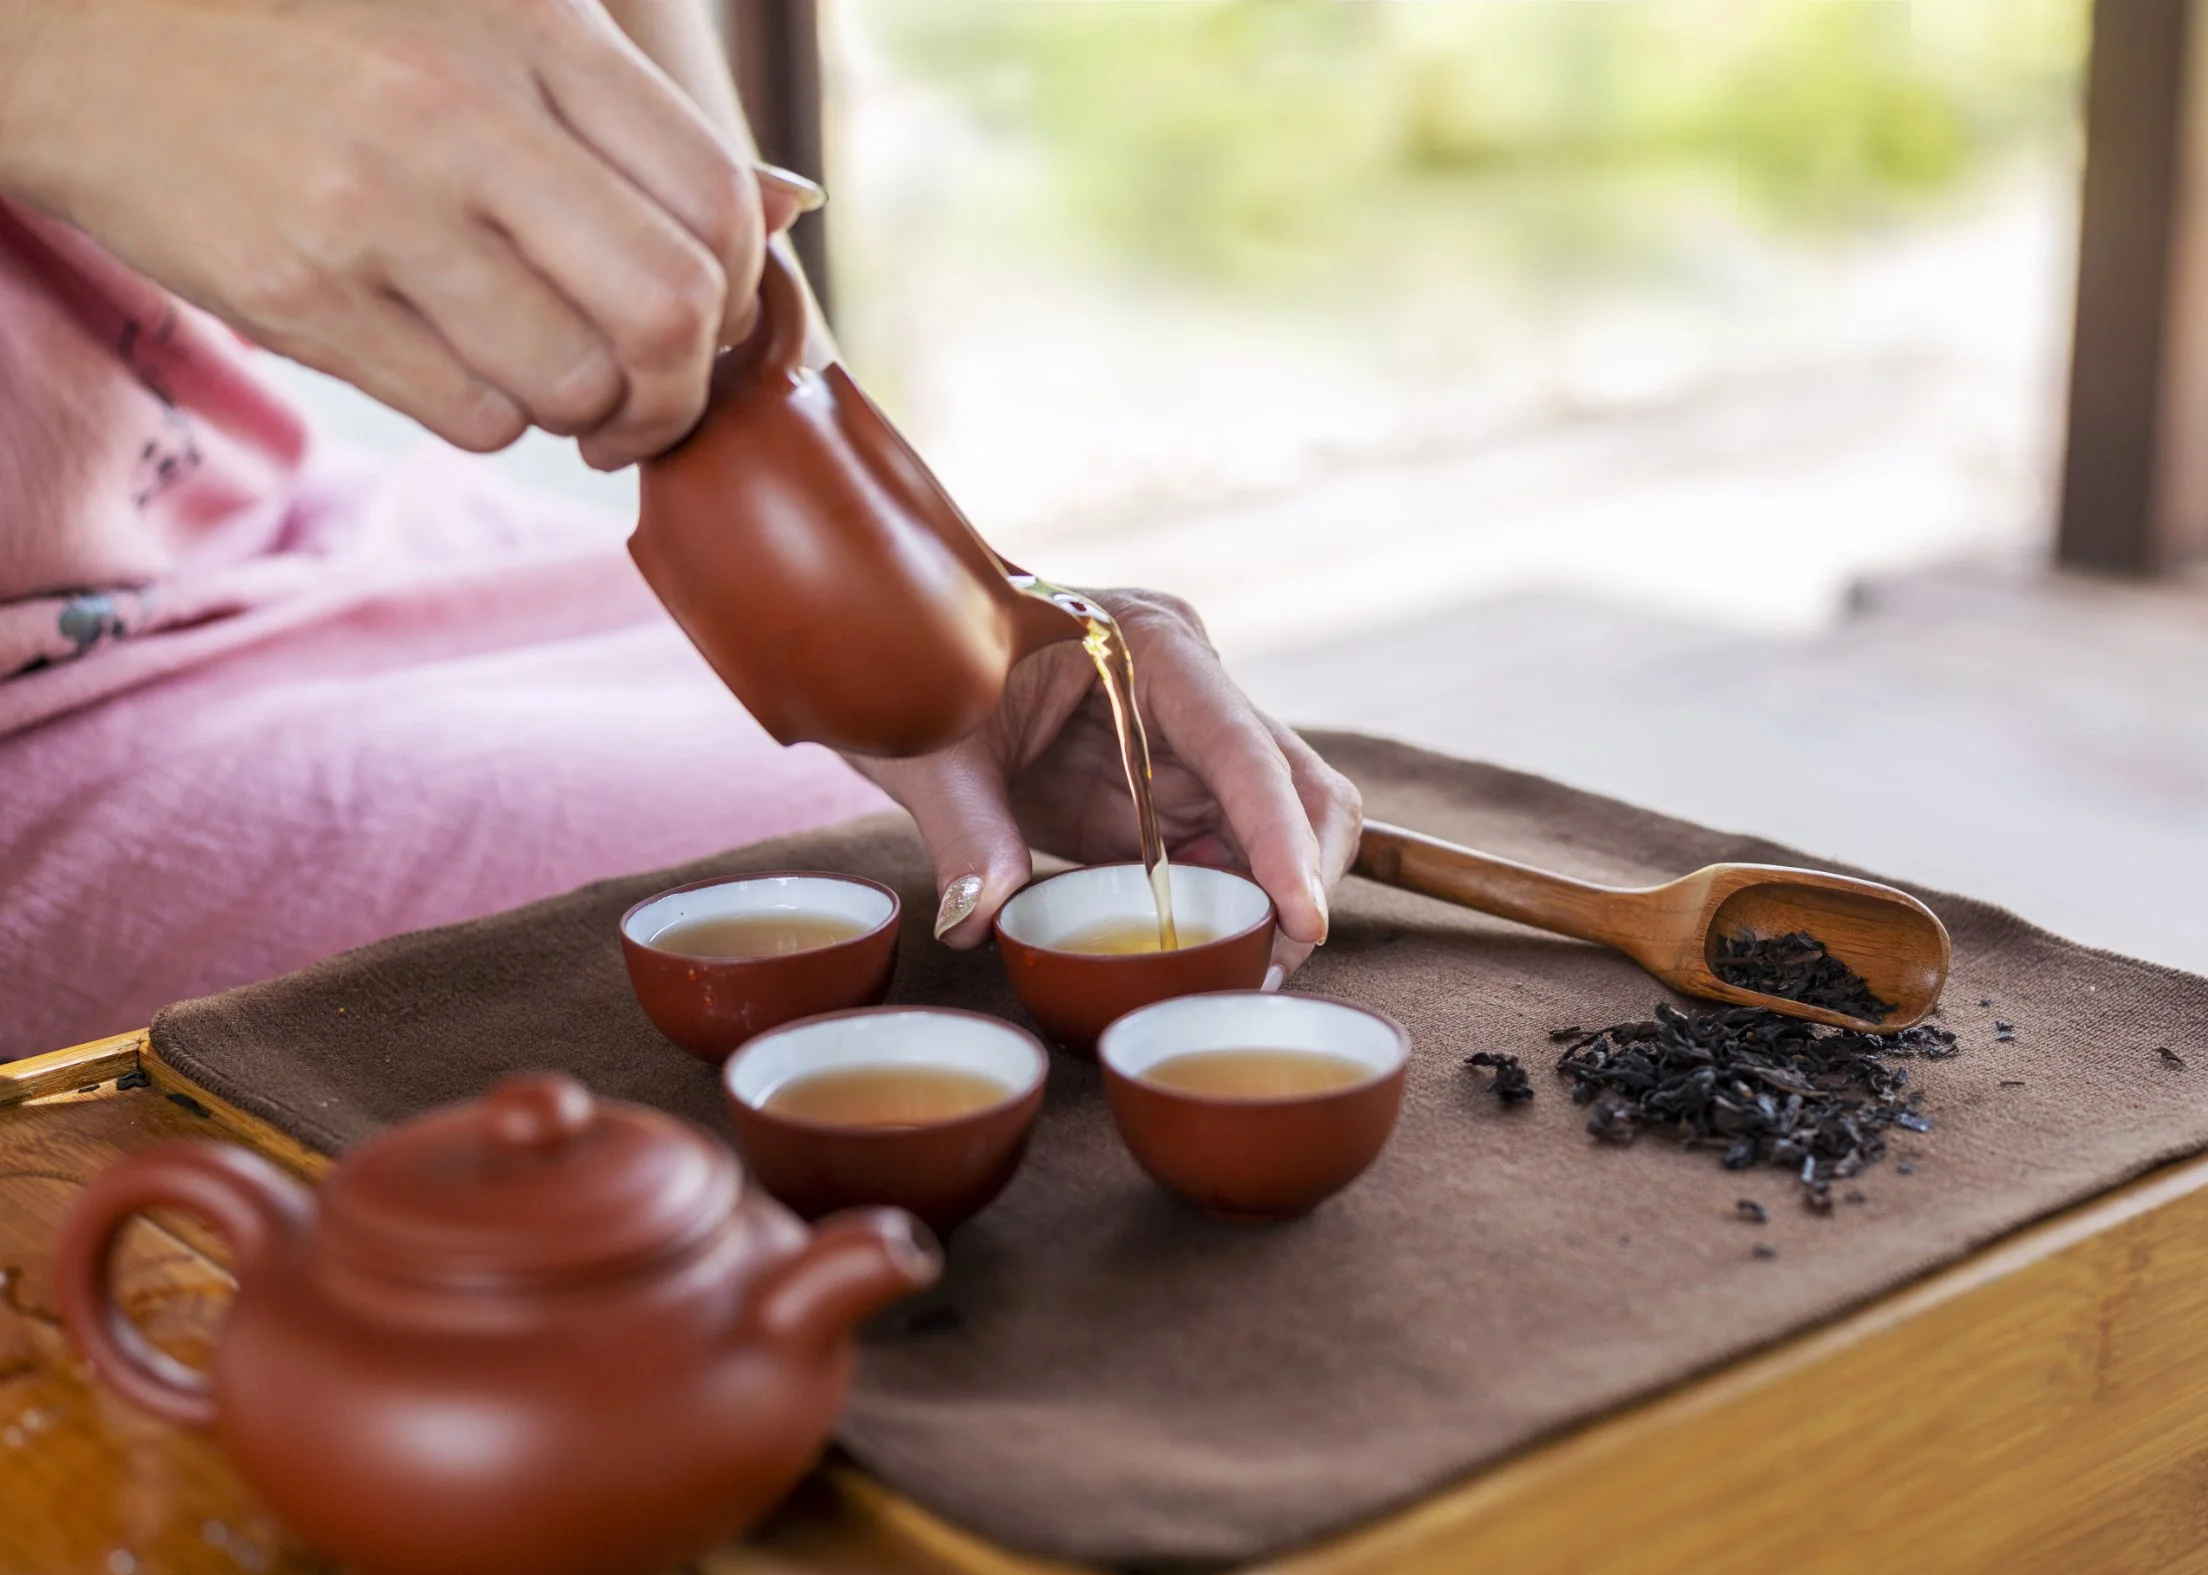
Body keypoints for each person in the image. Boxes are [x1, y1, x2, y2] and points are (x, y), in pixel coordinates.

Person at [0, 0, 1359, 1059]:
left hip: (231, 513)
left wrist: (920, 600)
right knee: (804, 913)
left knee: (912, 846)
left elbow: (696, 239)